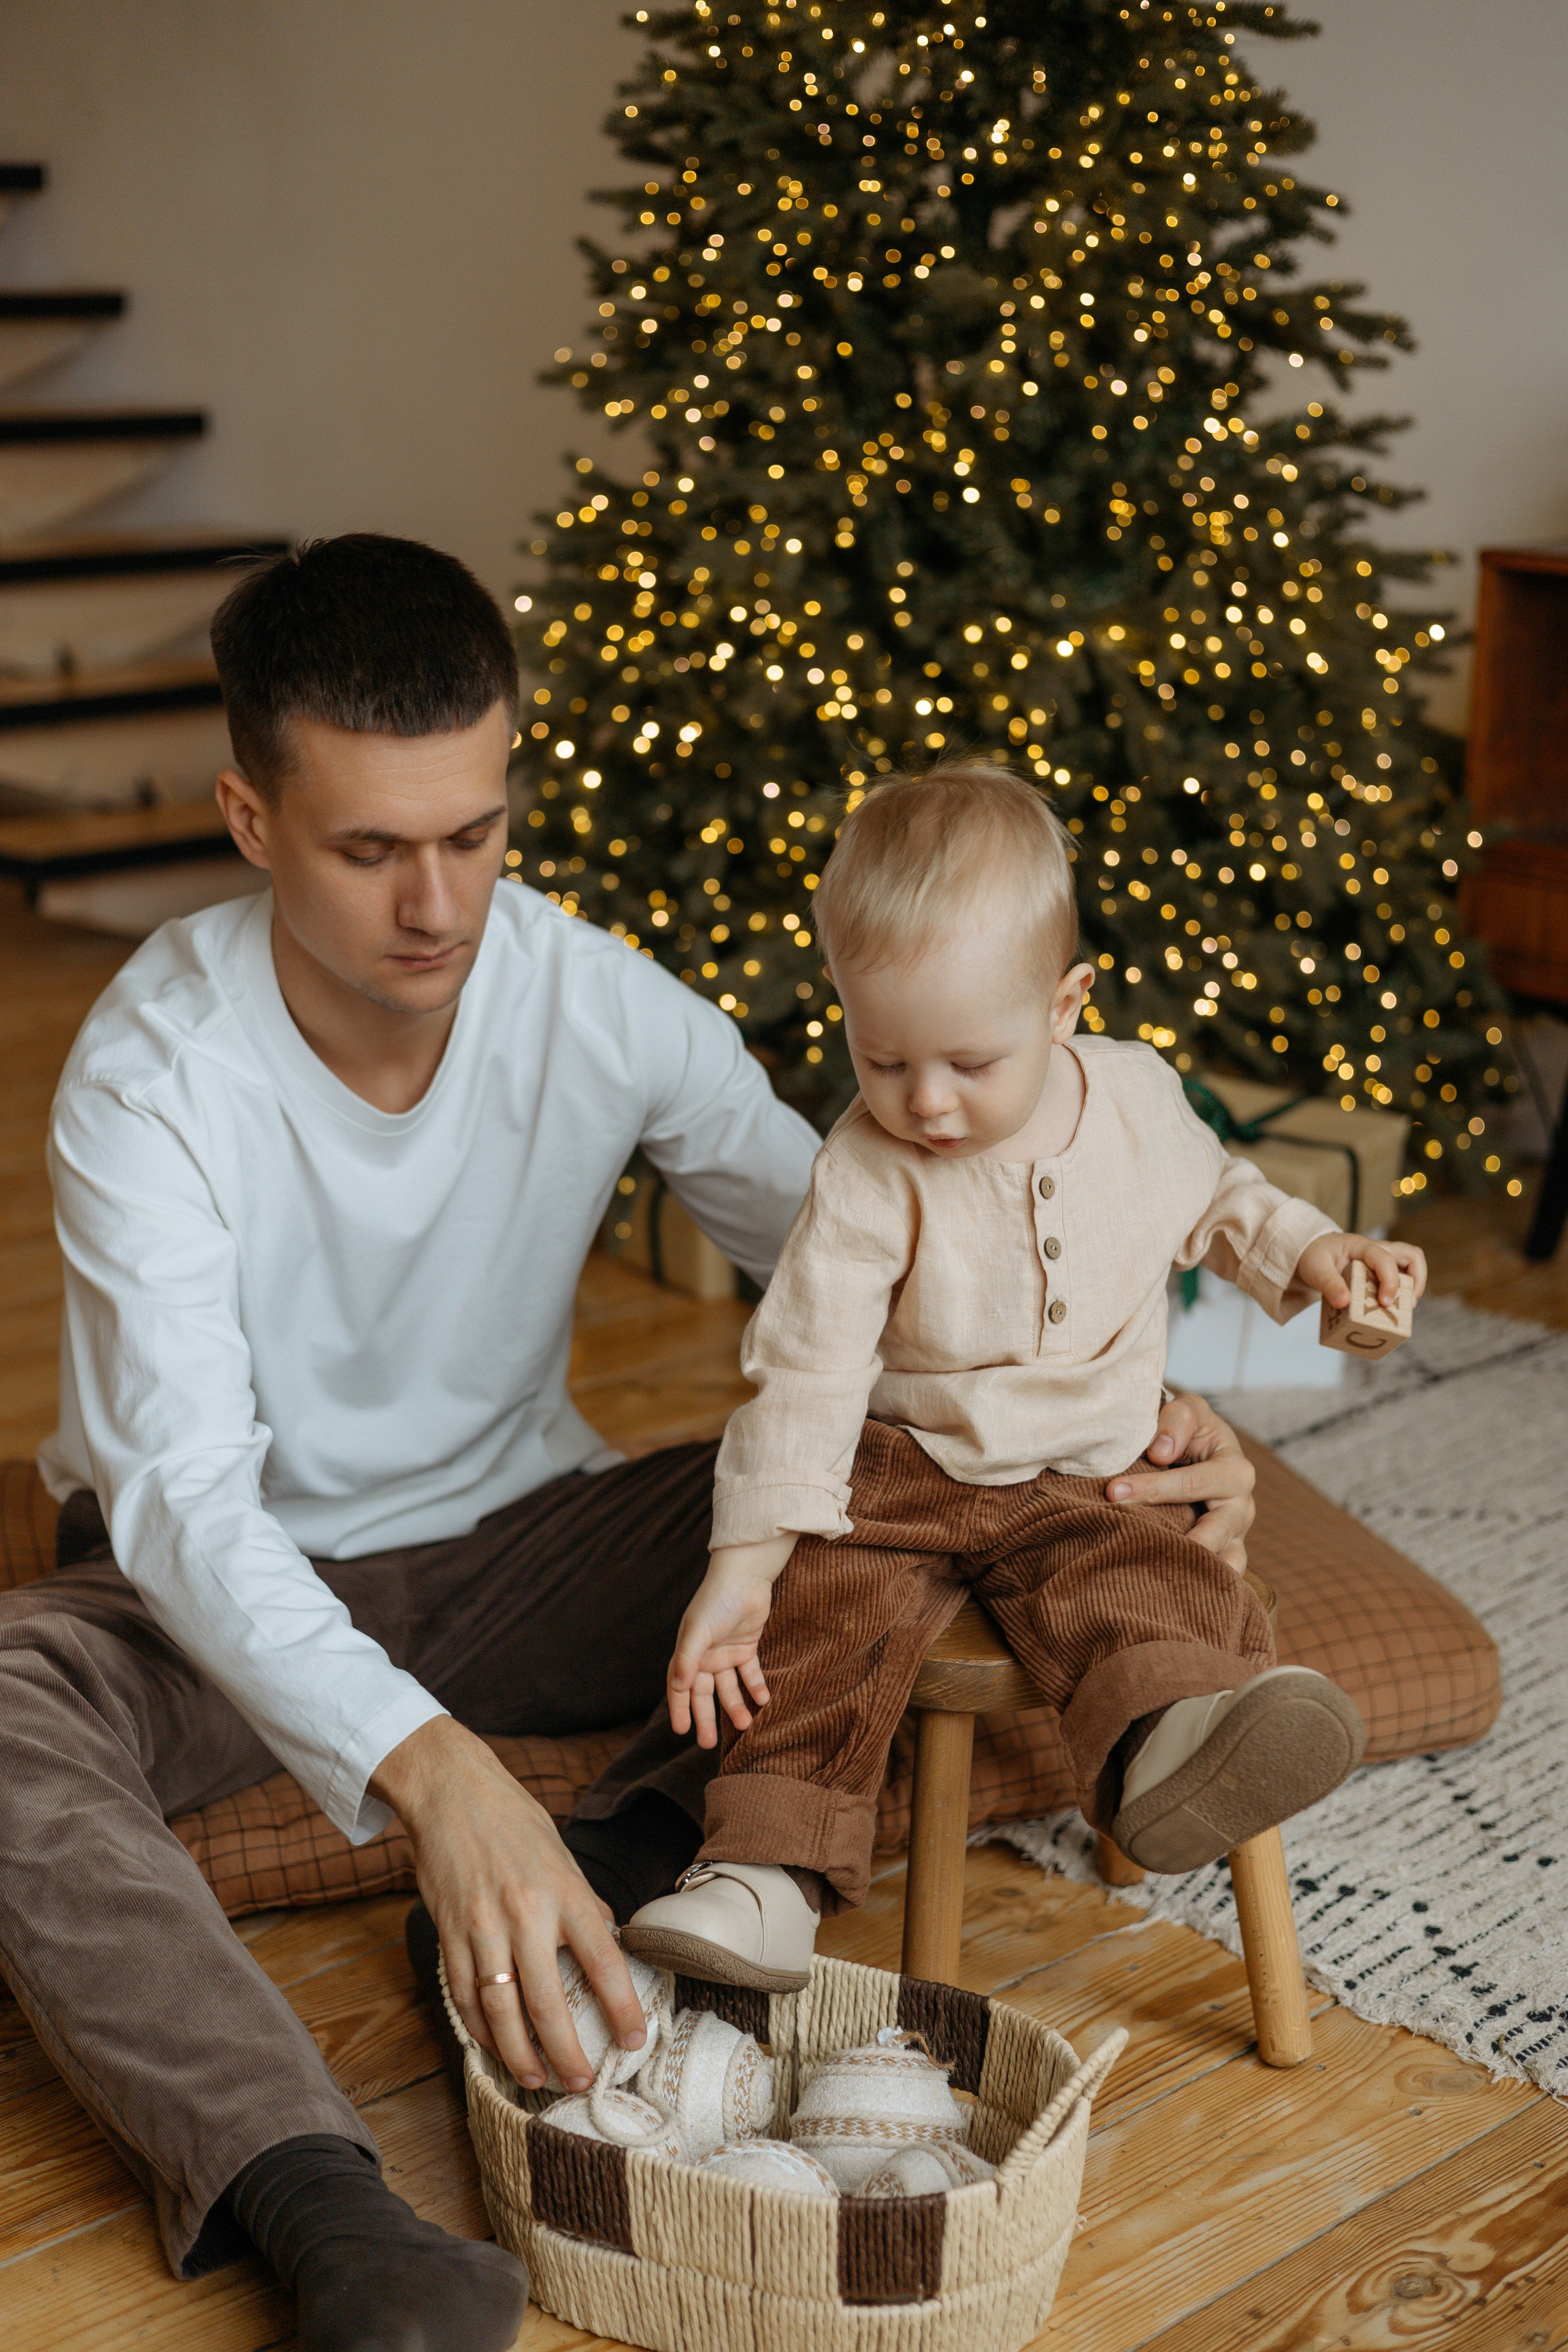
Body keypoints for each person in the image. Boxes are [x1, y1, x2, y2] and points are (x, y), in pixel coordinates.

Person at [0, 539, 1266, 2352]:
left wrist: (1135, 1429)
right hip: (208, 1588)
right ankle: (324, 2207)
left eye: (477, 832)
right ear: (251, 819)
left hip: (534, 1539)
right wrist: (436, 1785)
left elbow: (872, 1275)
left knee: (886, 1495)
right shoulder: (151, 1069)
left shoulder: (593, 999)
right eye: (370, 849)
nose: (437, 903)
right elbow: (188, 1507)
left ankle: (591, 1889)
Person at [624, 766, 1426, 1994]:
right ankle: (763, 1877)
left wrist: (1316, 1257)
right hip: (904, 1468)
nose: (922, 1102)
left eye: (966, 1061)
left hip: (1090, 1467)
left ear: (1064, 1006)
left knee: (1146, 1580)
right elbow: (805, 1369)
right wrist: (745, 1563)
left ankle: (1174, 1744)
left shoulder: (1142, 1101)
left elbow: (1222, 1201)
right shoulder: (863, 1170)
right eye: (878, 1057)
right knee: (824, 1623)